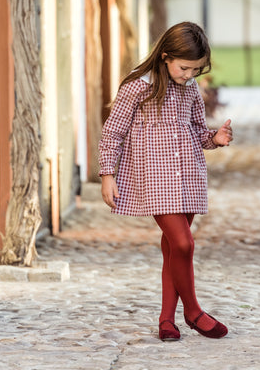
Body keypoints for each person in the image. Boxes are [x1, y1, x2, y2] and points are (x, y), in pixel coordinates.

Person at [99, 22, 233, 342]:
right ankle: (194, 312)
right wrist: (107, 175)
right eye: (185, 67)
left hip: (188, 176)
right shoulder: (137, 86)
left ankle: (166, 321)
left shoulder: (189, 90)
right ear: (165, 56)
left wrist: (216, 137)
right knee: (184, 244)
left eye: (196, 70)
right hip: (155, 180)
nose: (189, 75)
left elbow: (198, 133)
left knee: (173, 249)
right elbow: (112, 132)